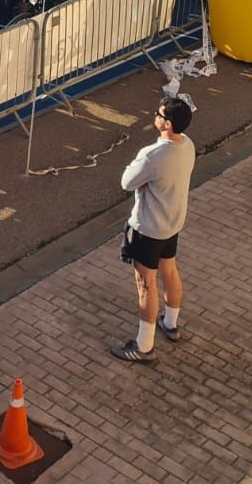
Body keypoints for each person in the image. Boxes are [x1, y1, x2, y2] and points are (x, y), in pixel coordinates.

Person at [111, 95, 195, 363]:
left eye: (158, 114)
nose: (155, 116)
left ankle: (143, 346)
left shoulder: (152, 155)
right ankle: (170, 325)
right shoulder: (188, 145)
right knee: (169, 270)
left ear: (167, 124)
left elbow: (127, 182)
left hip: (148, 228)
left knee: (146, 285)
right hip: (172, 223)